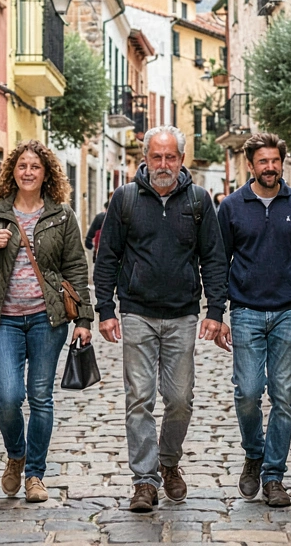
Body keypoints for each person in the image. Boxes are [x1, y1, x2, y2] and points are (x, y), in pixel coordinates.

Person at [93, 126, 228, 512]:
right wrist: (106, 309)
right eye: (157, 156)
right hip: (137, 312)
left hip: (183, 315)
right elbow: (108, 256)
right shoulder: (126, 198)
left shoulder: (199, 200)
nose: (164, 164)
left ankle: (168, 461)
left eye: (171, 157)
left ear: (182, 160)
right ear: (146, 158)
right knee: (139, 398)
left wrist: (215, 311)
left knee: (180, 399)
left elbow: (213, 258)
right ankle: (144, 480)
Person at [0, 140, 95, 503]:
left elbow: (76, 268)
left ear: (46, 173)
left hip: (46, 319)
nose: (28, 172)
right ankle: (16, 454)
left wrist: (84, 318)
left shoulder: (62, 216)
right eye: (22, 165)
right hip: (2, 320)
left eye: (35, 166)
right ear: (12, 171)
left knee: (40, 397)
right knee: (8, 396)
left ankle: (35, 474)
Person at [216, 133, 291, 508]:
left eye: (275, 161)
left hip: (289, 311)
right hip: (245, 312)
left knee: (284, 396)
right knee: (248, 392)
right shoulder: (232, 207)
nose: (270, 167)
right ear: (250, 165)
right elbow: (218, 263)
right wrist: (217, 313)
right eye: (263, 161)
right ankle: (254, 453)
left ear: (281, 163)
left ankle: (274, 476)